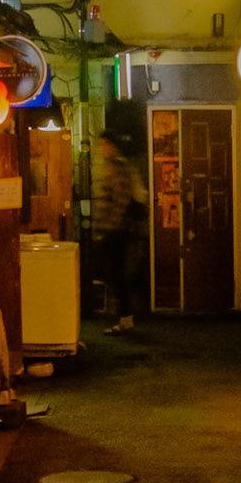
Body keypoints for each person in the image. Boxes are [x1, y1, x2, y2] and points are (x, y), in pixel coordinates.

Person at [92, 132, 147, 333]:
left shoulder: (118, 167)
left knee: (117, 274)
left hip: (118, 231)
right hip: (115, 230)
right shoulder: (113, 166)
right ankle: (125, 318)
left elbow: (119, 202)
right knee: (116, 274)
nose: (102, 149)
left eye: (104, 145)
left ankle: (125, 319)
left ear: (113, 146)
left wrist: (107, 228)